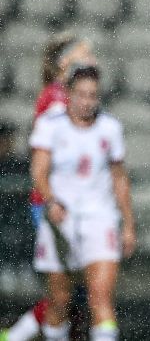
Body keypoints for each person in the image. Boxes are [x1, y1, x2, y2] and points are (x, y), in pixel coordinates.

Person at [28, 65, 135, 341]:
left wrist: (128, 225)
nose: (87, 102)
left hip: (100, 217)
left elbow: (119, 178)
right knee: (59, 301)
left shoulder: (110, 128)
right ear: (69, 94)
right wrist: (51, 201)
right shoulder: (51, 125)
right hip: (62, 219)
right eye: (82, 95)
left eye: (92, 96)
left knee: (100, 297)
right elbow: (39, 171)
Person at [2, 33, 97, 341]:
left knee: (69, 290)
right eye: (85, 55)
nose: (93, 60)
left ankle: (16, 336)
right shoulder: (58, 98)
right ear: (66, 62)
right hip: (54, 204)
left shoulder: (61, 95)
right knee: (67, 291)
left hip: (61, 202)